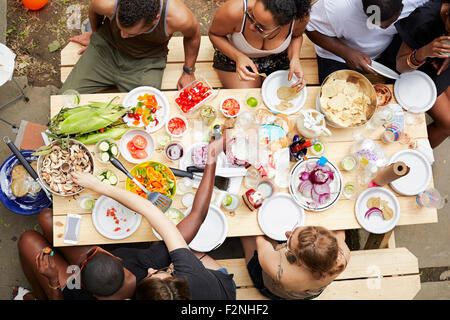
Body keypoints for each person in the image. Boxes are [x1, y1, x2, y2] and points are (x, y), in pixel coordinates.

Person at [15, 133, 230, 300]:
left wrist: (53, 282)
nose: (153, 269)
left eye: (154, 274)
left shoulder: (80, 294)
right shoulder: (180, 274)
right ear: (117, 259)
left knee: (27, 240)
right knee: (46, 218)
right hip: (216, 287)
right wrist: (98, 186)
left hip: (70, 289)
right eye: (167, 273)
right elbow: (194, 214)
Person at [59, 0, 201, 93]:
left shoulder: (178, 17)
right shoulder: (105, 3)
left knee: (145, 116)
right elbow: (94, 10)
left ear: (155, 19)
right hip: (106, 49)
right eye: (120, 28)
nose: (123, 35)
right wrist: (95, 35)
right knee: (65, 101)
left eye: (131, 33)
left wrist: (188, 71)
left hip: (146, 62)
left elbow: (193, 35)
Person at [305, 0, 428, 83]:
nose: (382, 28)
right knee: (334, 98)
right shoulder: (336, 6)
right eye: (374, 21)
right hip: (338, 55)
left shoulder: (415, 2)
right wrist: (346, 53)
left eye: (388, 23)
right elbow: (310, 28)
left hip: (388, 49)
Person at [208, 0, 311, 90]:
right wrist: (238, 57)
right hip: (234, 57)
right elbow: (214, 34)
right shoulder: (233, 10)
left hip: (277, 60)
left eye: (261, 27)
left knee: (282, 99)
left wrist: (295, 58)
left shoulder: (299, 18)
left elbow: (296, 36)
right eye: (251, 15)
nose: (252, 27)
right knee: (248, 97)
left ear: (285, 24)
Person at [395, 0, 450, 148]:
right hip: (411, 66)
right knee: (448, 123)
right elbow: (400, 65)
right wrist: (424, 52)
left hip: (438, 61)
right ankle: (410, 151)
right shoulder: (423, 21)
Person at [240, 225, 350, 300]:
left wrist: (259, 229)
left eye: (288, 242)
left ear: (300, 262)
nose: (288, 233)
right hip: (309, 293)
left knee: (247, 235)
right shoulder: (343, 255)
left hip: (273, 288)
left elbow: (262, 245)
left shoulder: (282, 272)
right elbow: (340, 233)